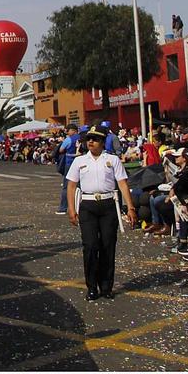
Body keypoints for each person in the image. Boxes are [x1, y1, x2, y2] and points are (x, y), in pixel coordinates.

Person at [65, 125, 138, 301]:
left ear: (102, 142)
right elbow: (71, 185)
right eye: (88, 138)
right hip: (88, 205)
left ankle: (106, 286)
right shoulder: (80, 161)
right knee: (90, 247)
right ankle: (91, 287)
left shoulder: (112, 160)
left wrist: (130, 208)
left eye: (95, 139)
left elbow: (122, 184)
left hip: (107, 205)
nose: (90, 141)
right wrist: (71, 209)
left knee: (107, 246)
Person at [55, 124, 80, 215]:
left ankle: (63, 208)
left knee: (67, 186)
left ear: (73, 130)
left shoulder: (69, 139)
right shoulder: (82, 137)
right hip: (81, 163)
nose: (67, 132)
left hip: (70, 163)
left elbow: (61, 150)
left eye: (68, 130)